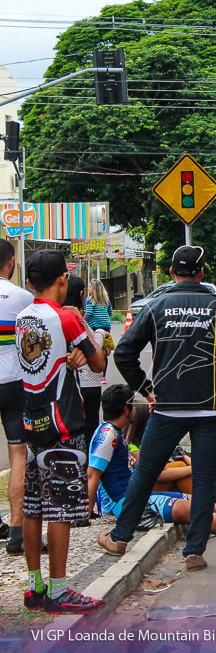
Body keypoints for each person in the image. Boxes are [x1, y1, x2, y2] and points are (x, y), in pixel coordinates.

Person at [99, 245, 216, 573]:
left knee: (146, 472)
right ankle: (194, 552)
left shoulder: (156, 306)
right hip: (210, 407)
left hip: (167, 407)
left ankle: (120, 538)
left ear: (172, 273)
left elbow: (123, 353)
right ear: (202, 272)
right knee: (205, 479)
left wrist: (147, 390)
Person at [16, 249, 106, 613]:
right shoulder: (66, 317)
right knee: (62, 507)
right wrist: (83, 345)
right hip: (64, 422)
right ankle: (58, 590)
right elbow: (98, 362)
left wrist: (74, 354)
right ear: (63, 281)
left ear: (29, 283)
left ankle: (34, 586)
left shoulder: (24, 316)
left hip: (32, 418)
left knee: (34, 505)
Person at [88, 385, 216, 538]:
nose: (136, 410)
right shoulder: (107, 435)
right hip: (121, 503)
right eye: (133, 406)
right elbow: (92, 475)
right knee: (185, 509)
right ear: (126, 409)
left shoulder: (117, 433)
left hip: (134, 496)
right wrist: (86, 516)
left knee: (199, 502)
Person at [0, 239, 34, 555]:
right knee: (18, 455)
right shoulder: (23, 297)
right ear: (11, 262)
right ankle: (16, 530)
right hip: (13, 385)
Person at [63, 276, 109, 452]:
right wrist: (99, 333)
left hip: (71, 383)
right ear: (82, 294)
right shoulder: (75, 318)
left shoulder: (57, 316)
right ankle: (89, 461)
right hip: (88, 380)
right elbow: (93, 347)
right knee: (90, 424)